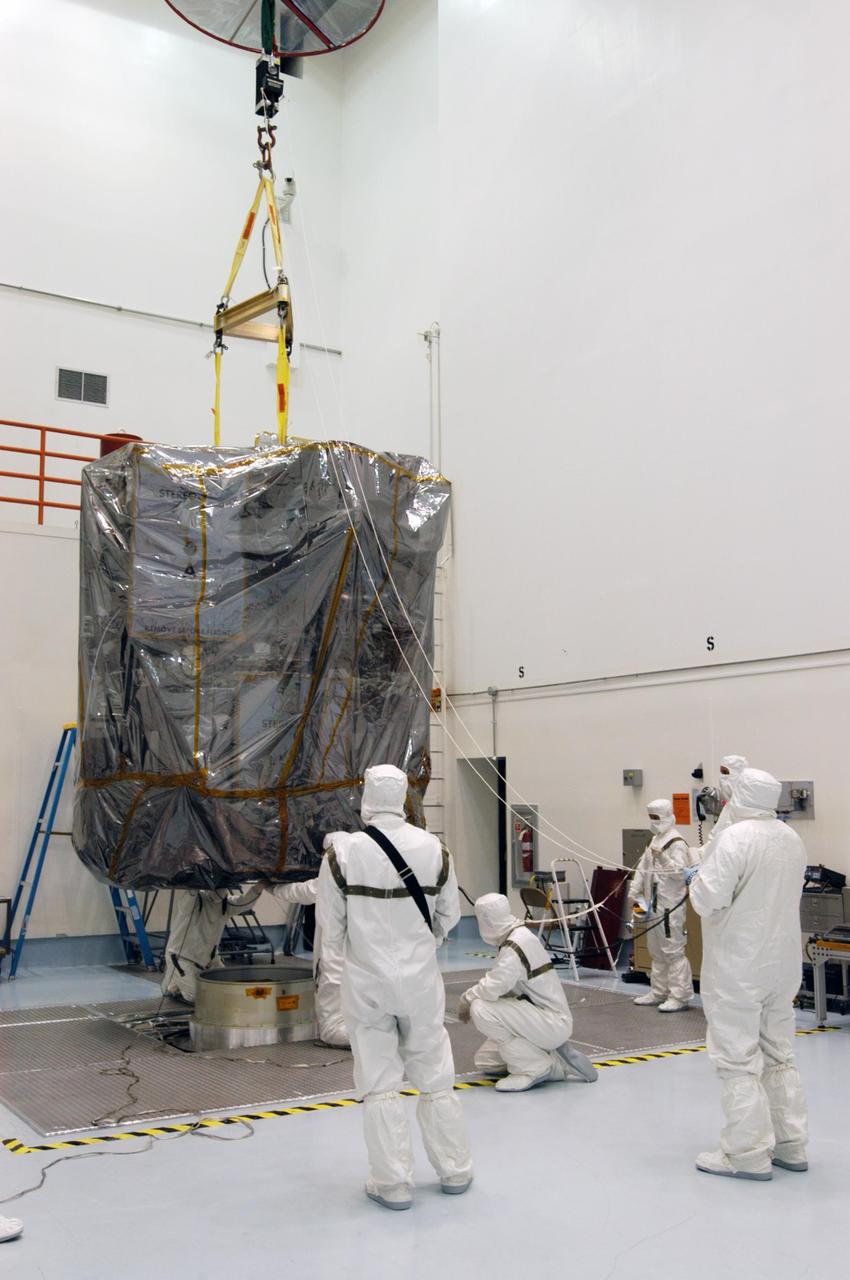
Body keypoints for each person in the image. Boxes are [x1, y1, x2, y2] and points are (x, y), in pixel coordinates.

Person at [317, 763, 473, 1211]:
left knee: (380, 1081)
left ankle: (393, 1184)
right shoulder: (435, 849)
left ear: (367, 795)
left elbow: (331, 932)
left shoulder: (343, 855)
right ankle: (455, 1170)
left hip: (367, 982)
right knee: (435, 1074)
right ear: (404, 796)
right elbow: (449, 917)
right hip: (421, 981)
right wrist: (421, 946)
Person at [685, 768, 808, 1180]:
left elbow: (708, 900)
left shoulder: (736, 838)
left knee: (737, 1058)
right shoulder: (790, 838)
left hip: (739, 964)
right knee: (778, 1052)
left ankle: (746, 1153)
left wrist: (695, 880)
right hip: (783, 964)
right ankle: (790, 1143)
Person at [459, 893, 598, 1092]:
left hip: (550, 1022)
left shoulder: (514, 946)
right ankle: (556, 1061)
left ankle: (535, 1067)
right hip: (540, 1018)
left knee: (480, 1008)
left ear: (486, 919)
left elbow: (492, 988)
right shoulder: (518, 936)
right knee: (486, 1062)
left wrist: (467, 998)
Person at [627, 799, 694, 1011]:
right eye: (651, 818)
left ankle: (679, 995)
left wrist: (663, 859)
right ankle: (658, 991)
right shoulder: (655, 840)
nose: (654, 822)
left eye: (656, 817)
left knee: (672, 951)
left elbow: (680, 874)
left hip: (669, 906)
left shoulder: (677, 843)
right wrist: (634, 890)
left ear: (666, 816)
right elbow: (643, 868)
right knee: (655, 950)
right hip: (652, 904)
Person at [267, 876, 348, 1047]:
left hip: (337, 944)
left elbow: (305, 891)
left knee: (332, 981)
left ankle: (341, 1036)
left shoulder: (338, 868)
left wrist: (271, 887)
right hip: (371, 946)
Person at [161, 884, 262, 1003]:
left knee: (230, 987)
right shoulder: (195, 901)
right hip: (181, 957)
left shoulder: (225, 904)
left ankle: (177, 980)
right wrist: (194, 881)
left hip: (210, 959)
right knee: (195, 996)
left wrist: (259, 887)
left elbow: (244, 902)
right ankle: (173, 983)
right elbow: (189, 897)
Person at [697, 754, 749, 856]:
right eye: (721, 773)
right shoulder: (729, 807)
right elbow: (715, 838)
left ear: (739, 776)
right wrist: (699, 855)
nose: (722, 778)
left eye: (726, 772)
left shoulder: (746, 809)